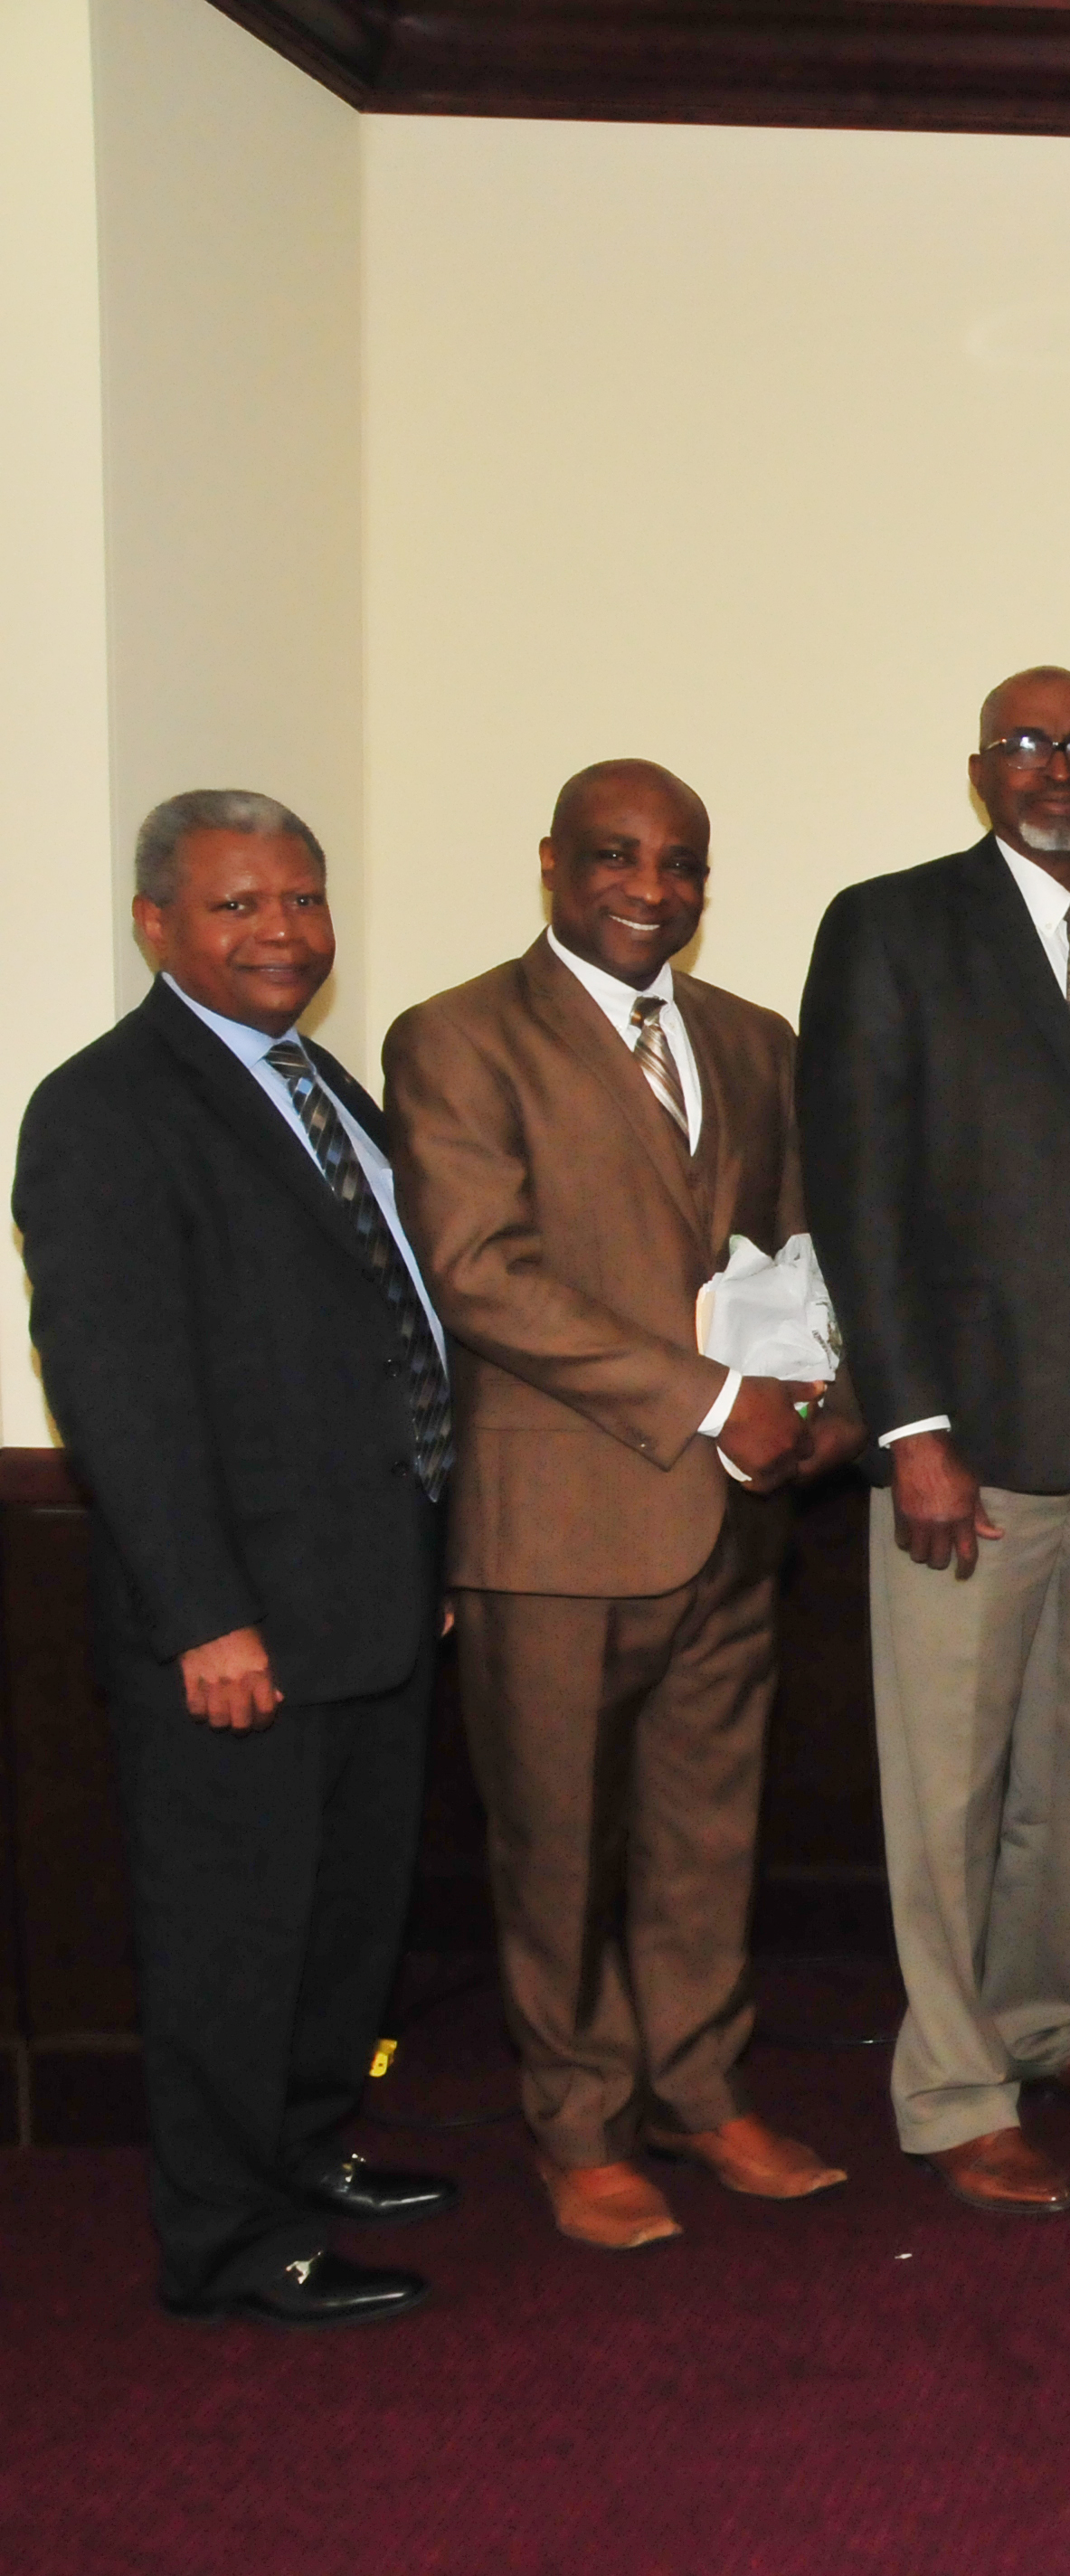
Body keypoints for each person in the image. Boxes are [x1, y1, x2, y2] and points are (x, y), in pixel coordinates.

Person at [381, 760, 864, 2252]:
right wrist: (715, 1400)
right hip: (559, 1523)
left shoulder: (753, 1039)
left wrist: (824, 1387)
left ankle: (700, 2092)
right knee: (555, 1843)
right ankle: (579, 2127)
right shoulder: (457, 1038)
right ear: (551, 865)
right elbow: (479, 1274)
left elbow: (788, 1244)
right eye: (616, 858)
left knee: (708, 1832)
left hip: (738, 1516)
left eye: (681, 866)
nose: (650, 890)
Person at [798, 666, 1070, 2217]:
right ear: (980, 768)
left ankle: (1056, 2023)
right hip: (967, 1419)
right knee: (951, 1774)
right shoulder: (894, 926)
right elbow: (857, 1190)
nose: (1057, 768)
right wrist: (912, 1424)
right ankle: (952, 2088)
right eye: (1026, 745)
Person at [14, 791, 458, 2327]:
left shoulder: (321, 1082)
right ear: (157, 925)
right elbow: (119, 1391)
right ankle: (226, 2241)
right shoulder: (104, 1110)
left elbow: (383, 1332)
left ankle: (308, 2157)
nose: (282, 931)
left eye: (303, 900)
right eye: (238, 906)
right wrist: (206, 1614)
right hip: (238, 1629)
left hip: (375, 1596)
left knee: (343, 1926)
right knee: (232, 1944)